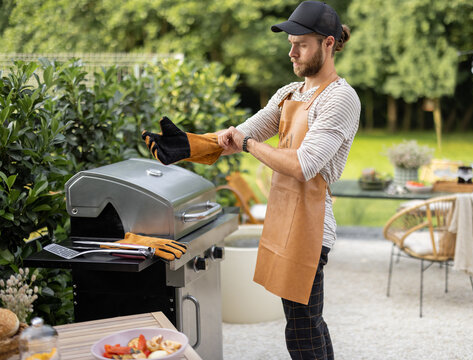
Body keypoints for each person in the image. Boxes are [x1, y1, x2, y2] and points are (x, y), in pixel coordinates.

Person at [143, 1, 360, 358]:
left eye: (300, 44)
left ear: (329, 44)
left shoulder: (340, 98)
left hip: (311, 225)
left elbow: (304, 164)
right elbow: (238, 135)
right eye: (290, 43)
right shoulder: (289, 93)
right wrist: (189, 146)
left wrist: (247, 145)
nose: (291, 52)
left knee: (302, 326)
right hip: (284, 217)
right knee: (308, 321)